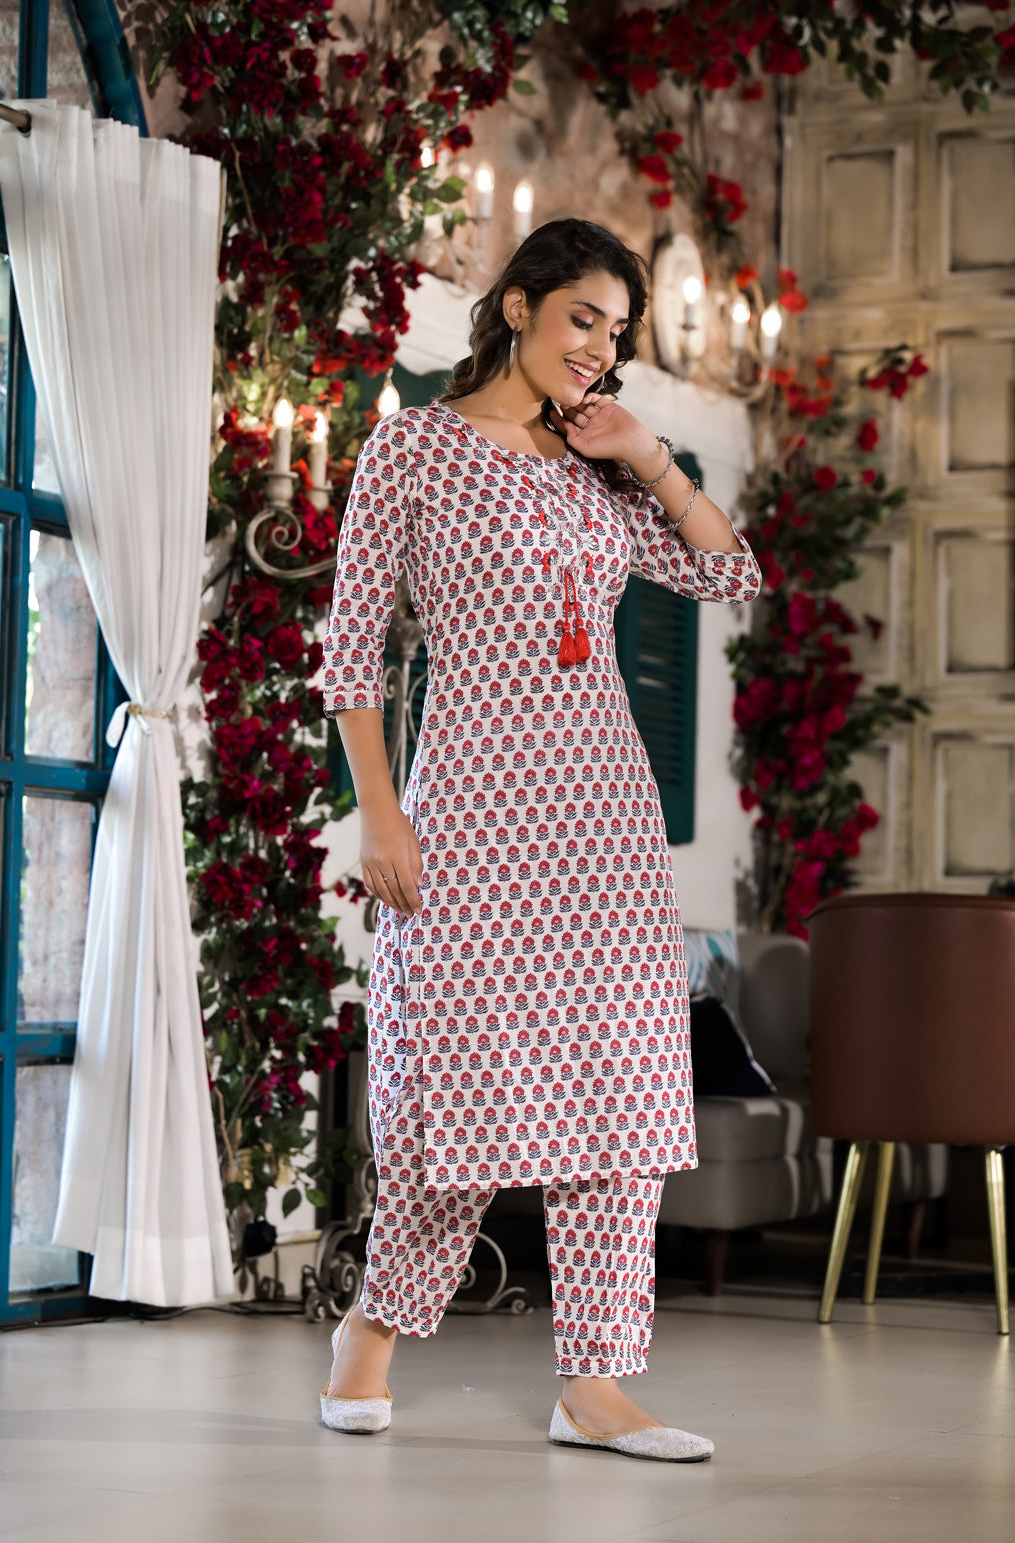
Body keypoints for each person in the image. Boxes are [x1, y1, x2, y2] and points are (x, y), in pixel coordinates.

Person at [319, 218, 762, 1461]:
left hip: (604, 822)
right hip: (468, 809)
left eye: (617, 334)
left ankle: (599, 1384)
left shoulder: (599, 466)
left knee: (621, 1092)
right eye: (583, 319)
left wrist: (650, 458)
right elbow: (352, 650)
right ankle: (374, 1327)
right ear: (516, 305)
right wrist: (381, 810)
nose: (598, 350)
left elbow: (733, 578)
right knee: (454, 1080)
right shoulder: (410, 450)